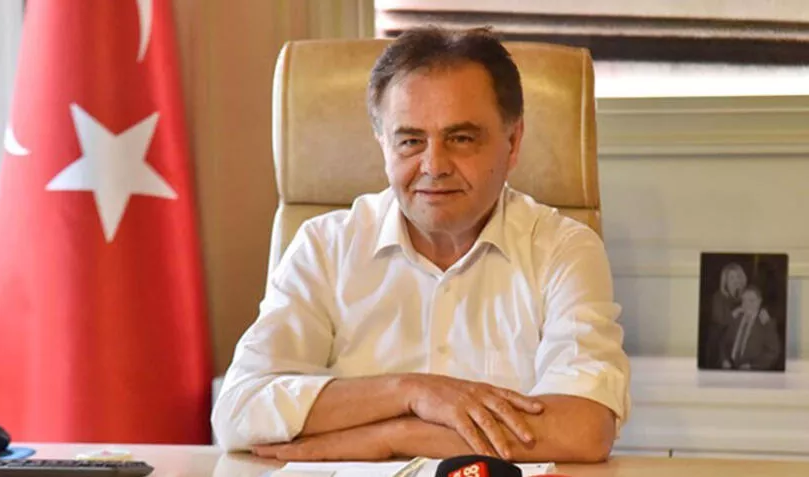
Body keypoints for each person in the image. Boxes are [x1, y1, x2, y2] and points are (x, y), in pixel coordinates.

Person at [211, 27, 630, 463]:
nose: (434, 166)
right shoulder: (324, 246)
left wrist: (394, 436)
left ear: (513, 142)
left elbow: (583, 429)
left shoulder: (563, 249)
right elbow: (239, 410)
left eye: (461, 138)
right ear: (383, 145)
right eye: (410, 141)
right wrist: (410, 391)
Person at [720, 286, 781, 371]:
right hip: (729, 368)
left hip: (751, 371)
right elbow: (724, 342)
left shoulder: (766, 323)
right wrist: (724, 359)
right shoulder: (736, 318)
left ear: (759, 301)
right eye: (744, 300)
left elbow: (772, 352)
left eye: (751, 301)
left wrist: (752, 366)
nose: (747, 304)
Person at [705, 263, 747, 368]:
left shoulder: (745, 297)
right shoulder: (718, 297)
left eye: (738, 277)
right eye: (731, 277)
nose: (736, 280)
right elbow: (719, 320)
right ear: (725, 281)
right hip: (717, 344)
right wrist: (735, 312)